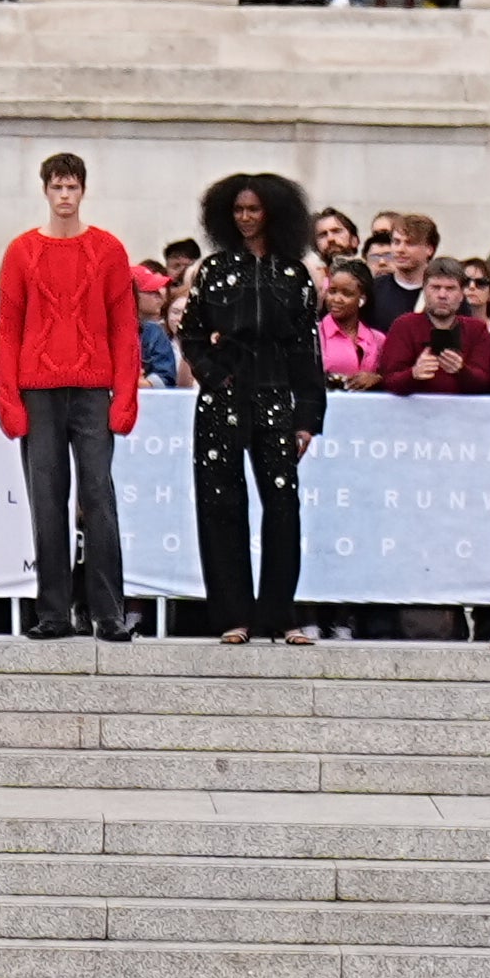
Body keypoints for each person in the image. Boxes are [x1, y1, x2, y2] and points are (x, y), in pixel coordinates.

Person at [0, 154, 139, 642]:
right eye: (57, 187)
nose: (65, 195)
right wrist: (7, 400)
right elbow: (8, 329)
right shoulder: (20, 252)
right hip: (38, 390)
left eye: (72, 186)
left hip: (93, 388)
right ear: (45, 190)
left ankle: (108, 612)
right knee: (46, 501)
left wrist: (125, 395)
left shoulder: (108, 250)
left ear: (83, 190)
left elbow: (124, 328)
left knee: (99, 496)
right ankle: (52, 612)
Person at [180, 172, 327, 645]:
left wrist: (307, 418)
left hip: (276, 398)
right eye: (238, 210)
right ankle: (233, 616)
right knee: (221, 505)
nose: (245, 218)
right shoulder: (213, 270)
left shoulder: (294, 274)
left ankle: (280, 614)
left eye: (254, 210)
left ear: (273, 214)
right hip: (222, 399)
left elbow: (307, 349)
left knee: (282, 505)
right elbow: (192, 334)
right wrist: (215, 374)